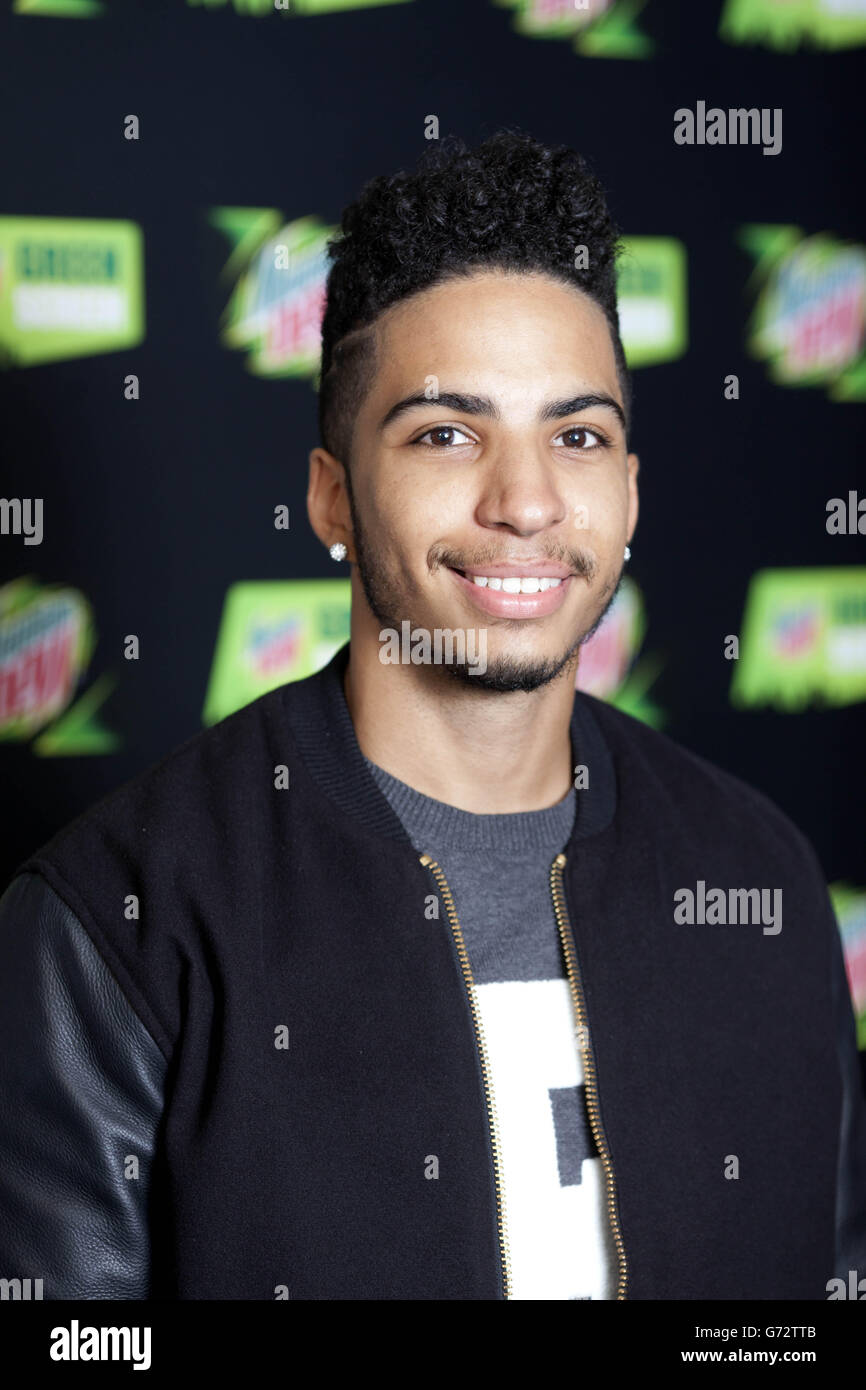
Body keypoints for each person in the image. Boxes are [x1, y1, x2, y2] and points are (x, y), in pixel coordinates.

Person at [1, 130, 864, 1301]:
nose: (524, 501)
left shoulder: (755, 874)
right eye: (444, 433)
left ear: (628, 493)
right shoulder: (117, 917)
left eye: (577, 435)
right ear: (329, 496)